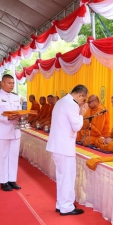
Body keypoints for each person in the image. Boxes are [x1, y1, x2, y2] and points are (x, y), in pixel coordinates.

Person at [46, 84, 88, 216]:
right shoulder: (72, 104)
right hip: (64, 146)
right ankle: (66, 206)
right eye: (83, 99)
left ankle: (61, 203)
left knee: (62, 176)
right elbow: (76, 126)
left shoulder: (61, 101)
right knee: (67, 177)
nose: (82, 103)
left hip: (58, 145)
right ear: (80, 95)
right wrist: (81, 114)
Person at [0, 74, 22, 192]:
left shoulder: (16, 97)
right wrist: (7, 118)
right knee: (2, 157)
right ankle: (3, 181)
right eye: (9, 83)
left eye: (13, 83)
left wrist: (21, 116)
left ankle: (12, 179)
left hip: (15, 131)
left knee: (13, 156)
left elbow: (19, 111)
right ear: (2, 83)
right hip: (2, 131)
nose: (12, 85)